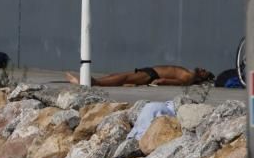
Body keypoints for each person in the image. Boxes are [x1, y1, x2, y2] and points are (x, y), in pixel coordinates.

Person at [65, 65, 214, 87]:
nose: (201, 69)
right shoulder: (188, 72)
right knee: (119, 76)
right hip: (149, 70)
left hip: (152, 74)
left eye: (204, 71)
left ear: (201, 78)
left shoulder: (188, 78)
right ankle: (90, 81)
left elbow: (164, 80)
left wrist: (158, 81)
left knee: (123, 78)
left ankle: (94, 82)